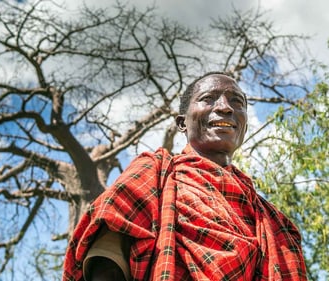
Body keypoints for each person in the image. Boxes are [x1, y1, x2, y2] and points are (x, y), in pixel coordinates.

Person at [62, 72, 307, 281]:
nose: (225, 107)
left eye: (237, 101)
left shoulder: (273, 221)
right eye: (208, 99)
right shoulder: (155, 173)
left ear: (243, 124)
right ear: (182, 123)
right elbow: (105, 260)